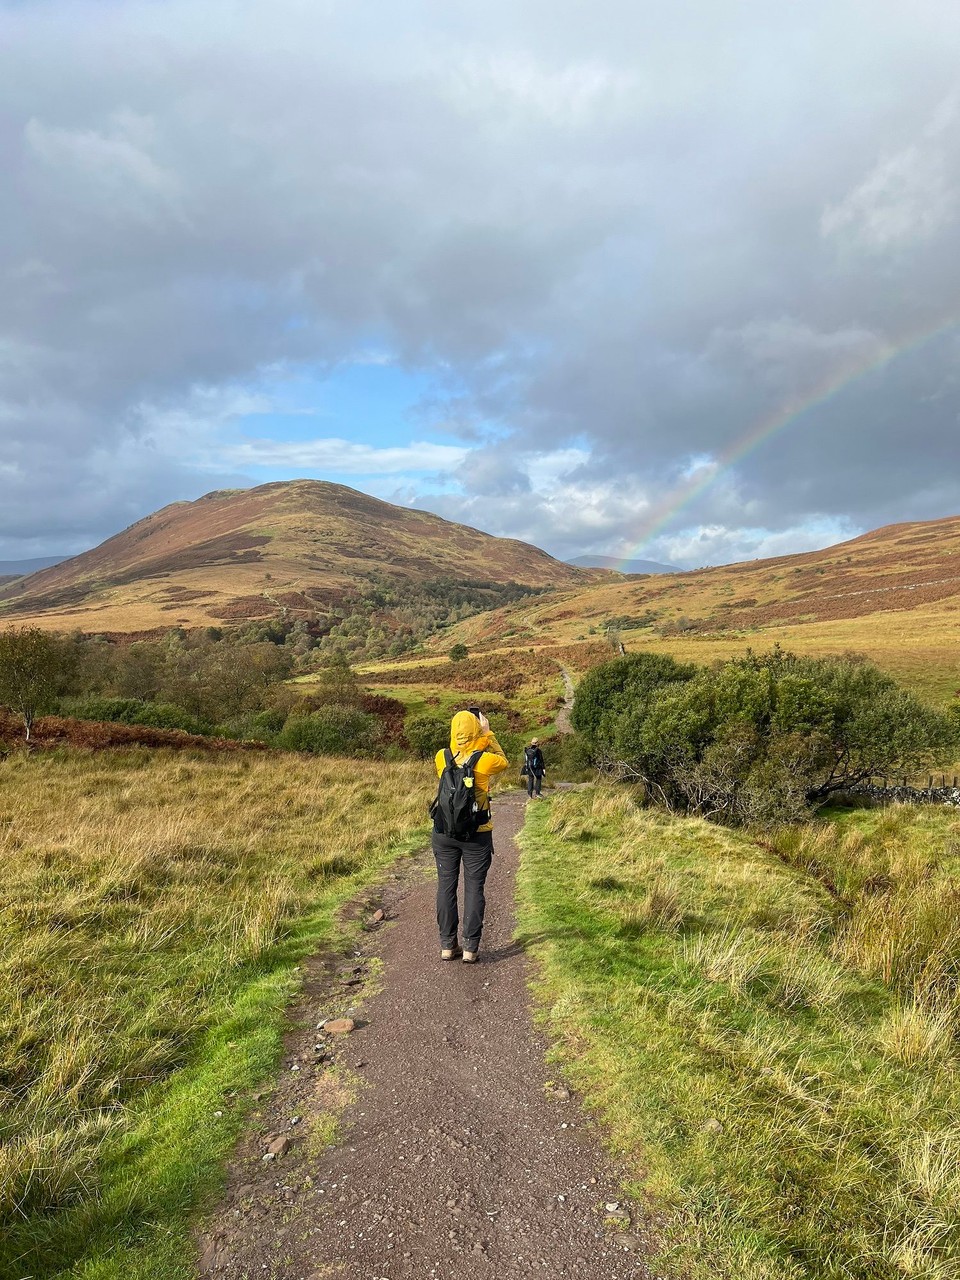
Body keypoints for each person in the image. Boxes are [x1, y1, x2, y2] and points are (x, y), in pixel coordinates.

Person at [432, 710, 508, 963]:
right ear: (476, 730)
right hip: (477, 834)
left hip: (444, 833)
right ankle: (470, 949)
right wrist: (488, 734)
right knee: (474, 889)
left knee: (446, 887)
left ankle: (446, 945)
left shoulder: (442, 757)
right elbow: (503, 761)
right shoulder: (485, 760)